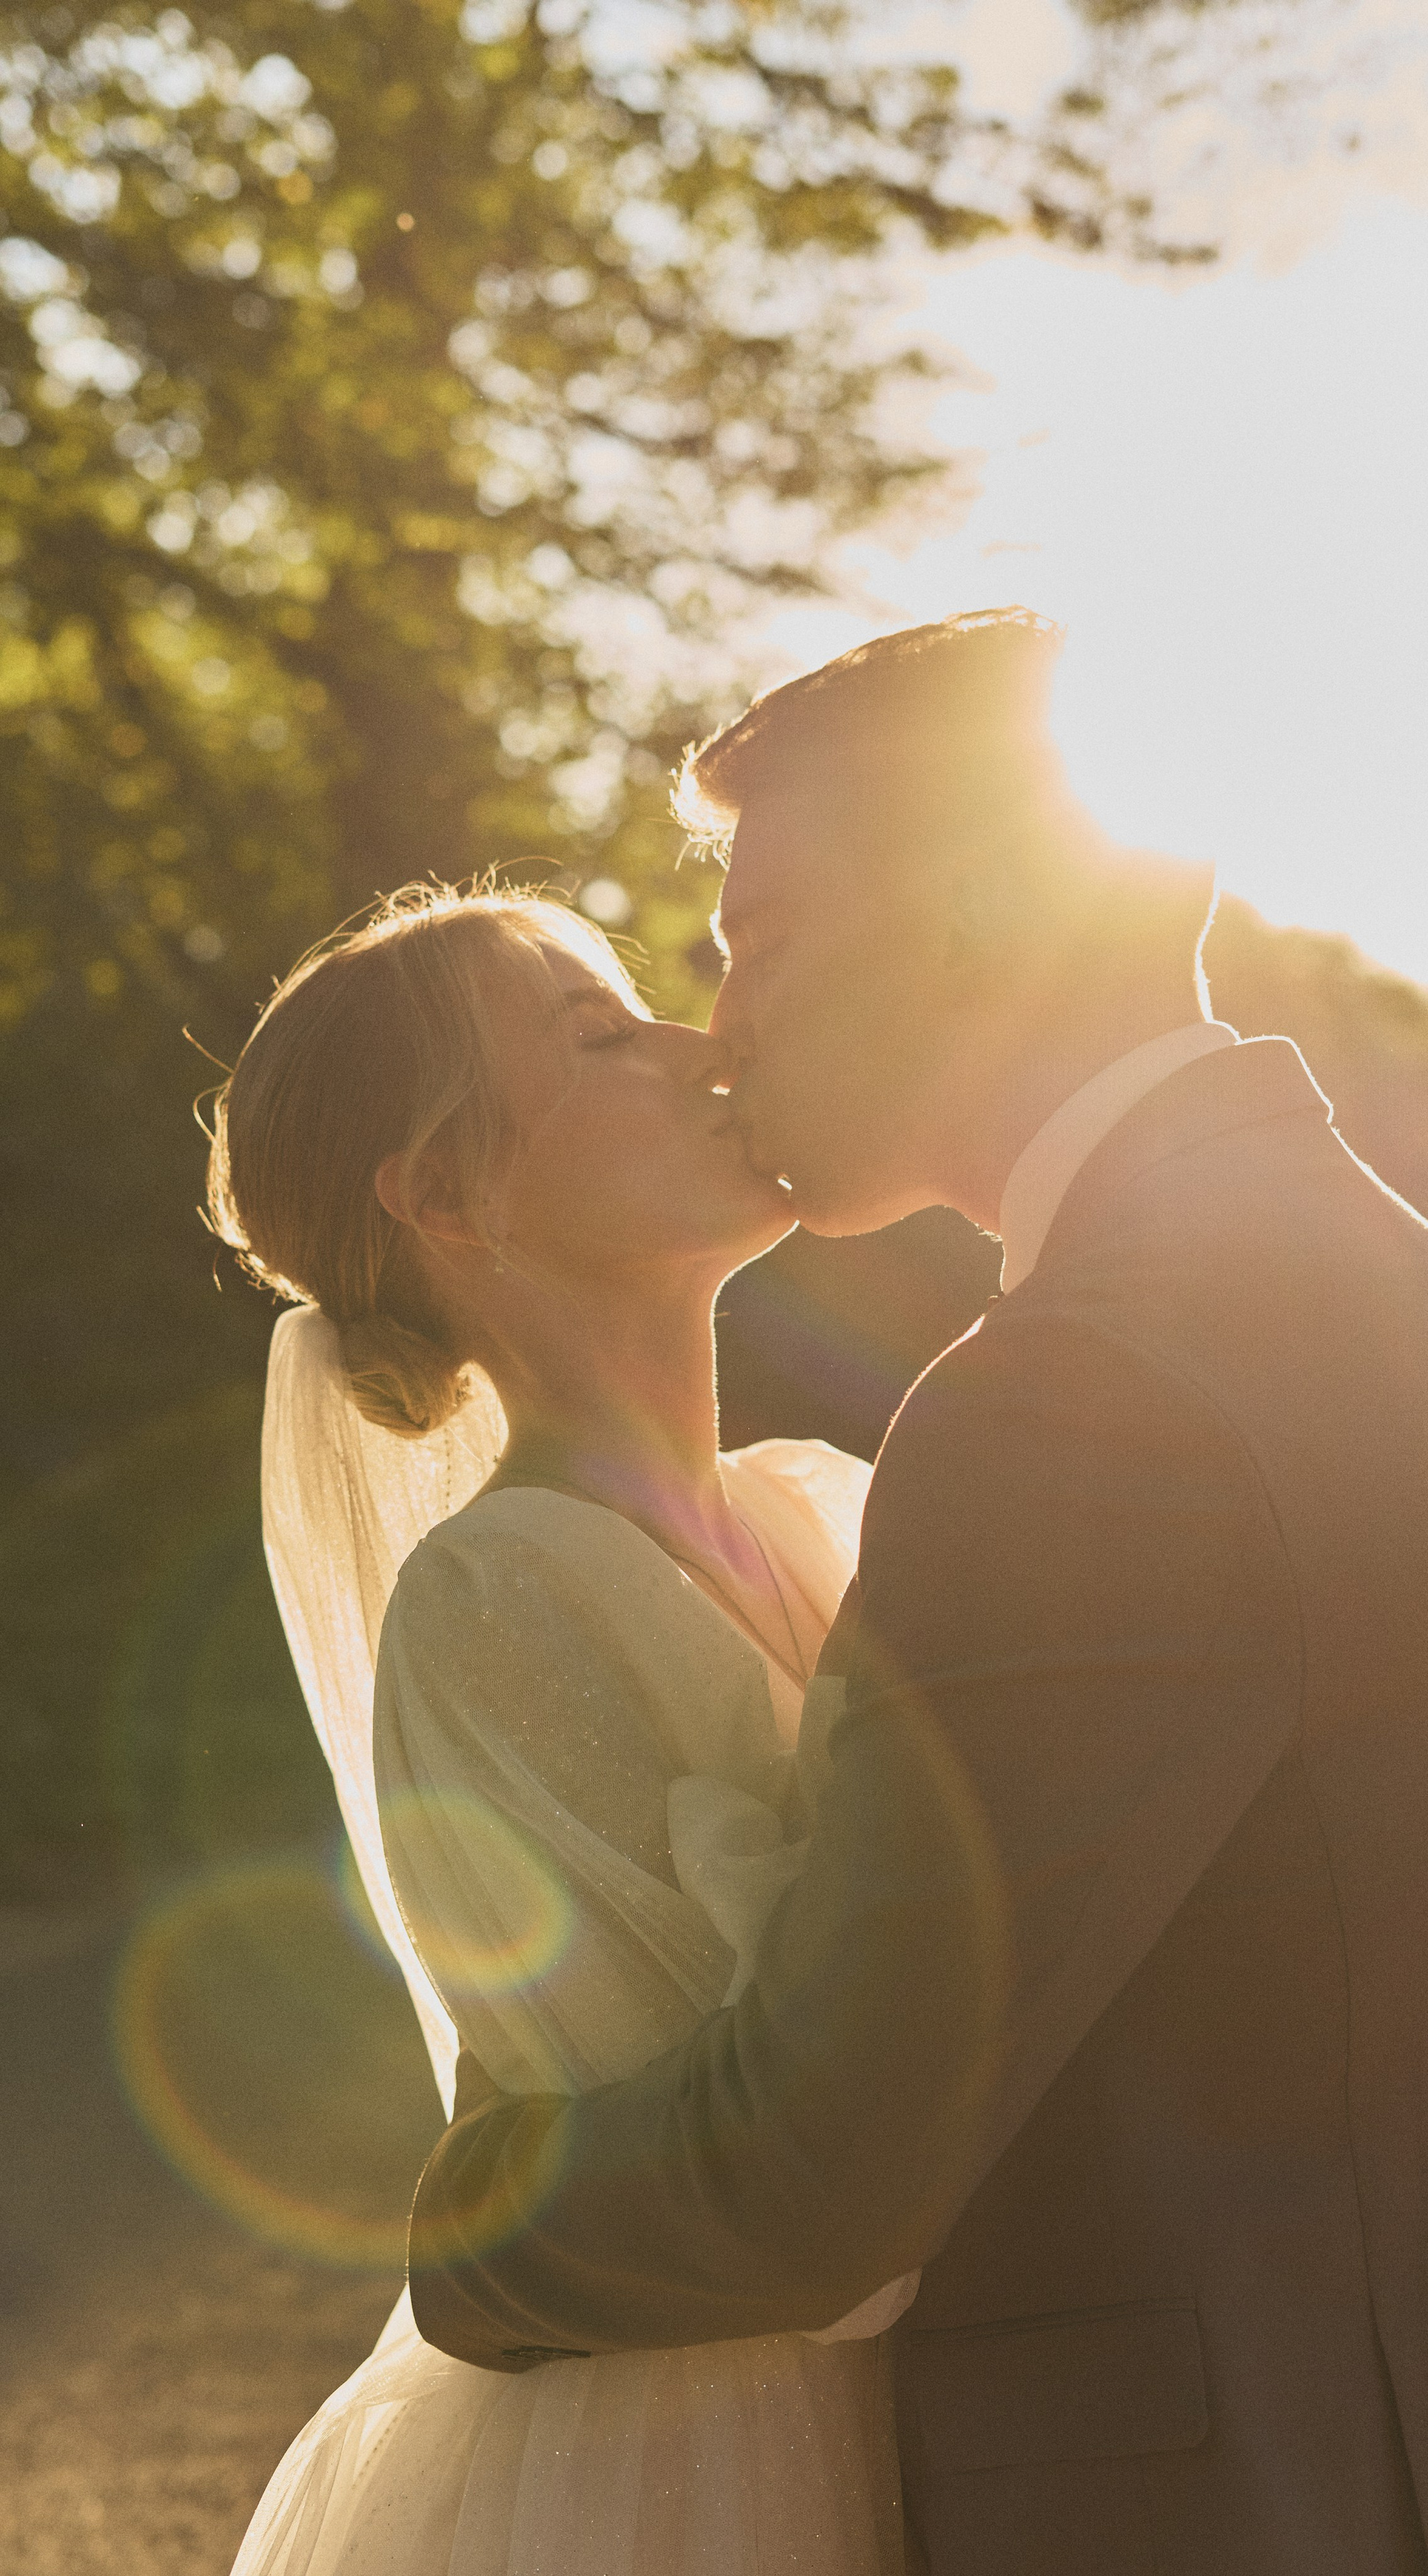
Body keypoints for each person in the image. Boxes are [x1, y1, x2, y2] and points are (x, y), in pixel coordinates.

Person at [406, 609, 1428, 2574]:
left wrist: (465, 2240)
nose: (727, 1022)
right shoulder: (1365, 1262)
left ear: (976, 905)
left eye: (763, 938)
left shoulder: (1083, 1388)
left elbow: (827, 2165)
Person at [209, 883, 914, 2576]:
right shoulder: (498, 1600)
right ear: (448, 1195)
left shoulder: (811, 1510)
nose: (703, 1042)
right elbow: (758, 2150)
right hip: (713, 2463)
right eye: (600, 1035)